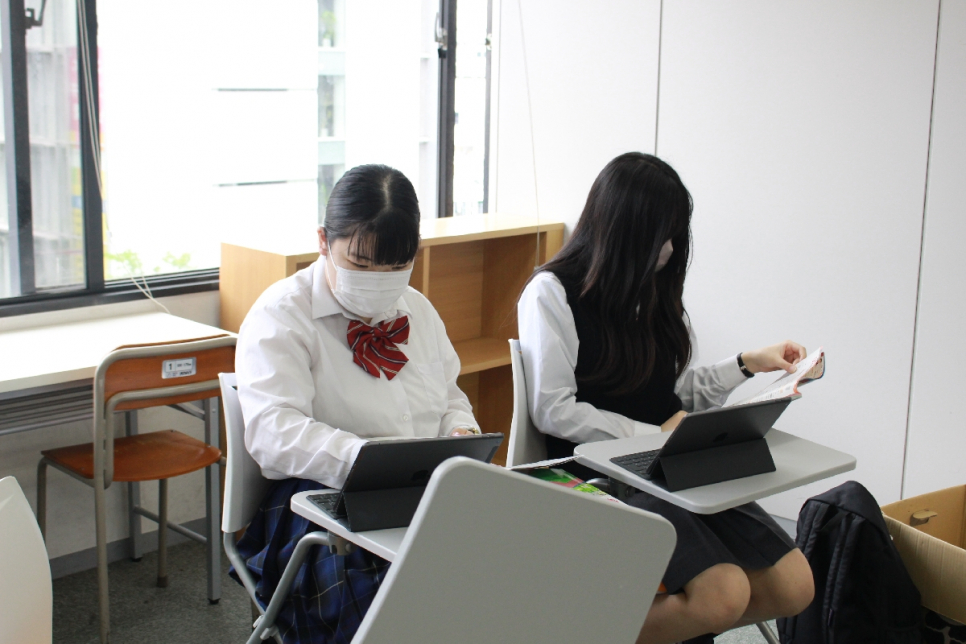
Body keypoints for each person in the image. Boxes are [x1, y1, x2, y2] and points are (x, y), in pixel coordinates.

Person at [517, 152, 815, 644]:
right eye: (661, 236)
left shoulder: (648, 290)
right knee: (721, 595)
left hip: (666, 466)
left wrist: (746, 364)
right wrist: (653, 434)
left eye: (676, 235)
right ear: (623, 231)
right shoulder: (552, 293)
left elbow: (667, 395)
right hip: (596, 474)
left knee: (795, 585)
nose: (671, 249)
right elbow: (553, 409)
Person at [234, 164, 480, 644]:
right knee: (397, 610)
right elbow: (272, 432)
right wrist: (368, 459)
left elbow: (450, 395)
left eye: (396, 266)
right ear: (323, 241)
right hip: (318, 499)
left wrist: (461, 433)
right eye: (362, 264)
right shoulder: (282, 314)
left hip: (421, 490)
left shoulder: (418, 310)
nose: (379, 280)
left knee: (501, 575)